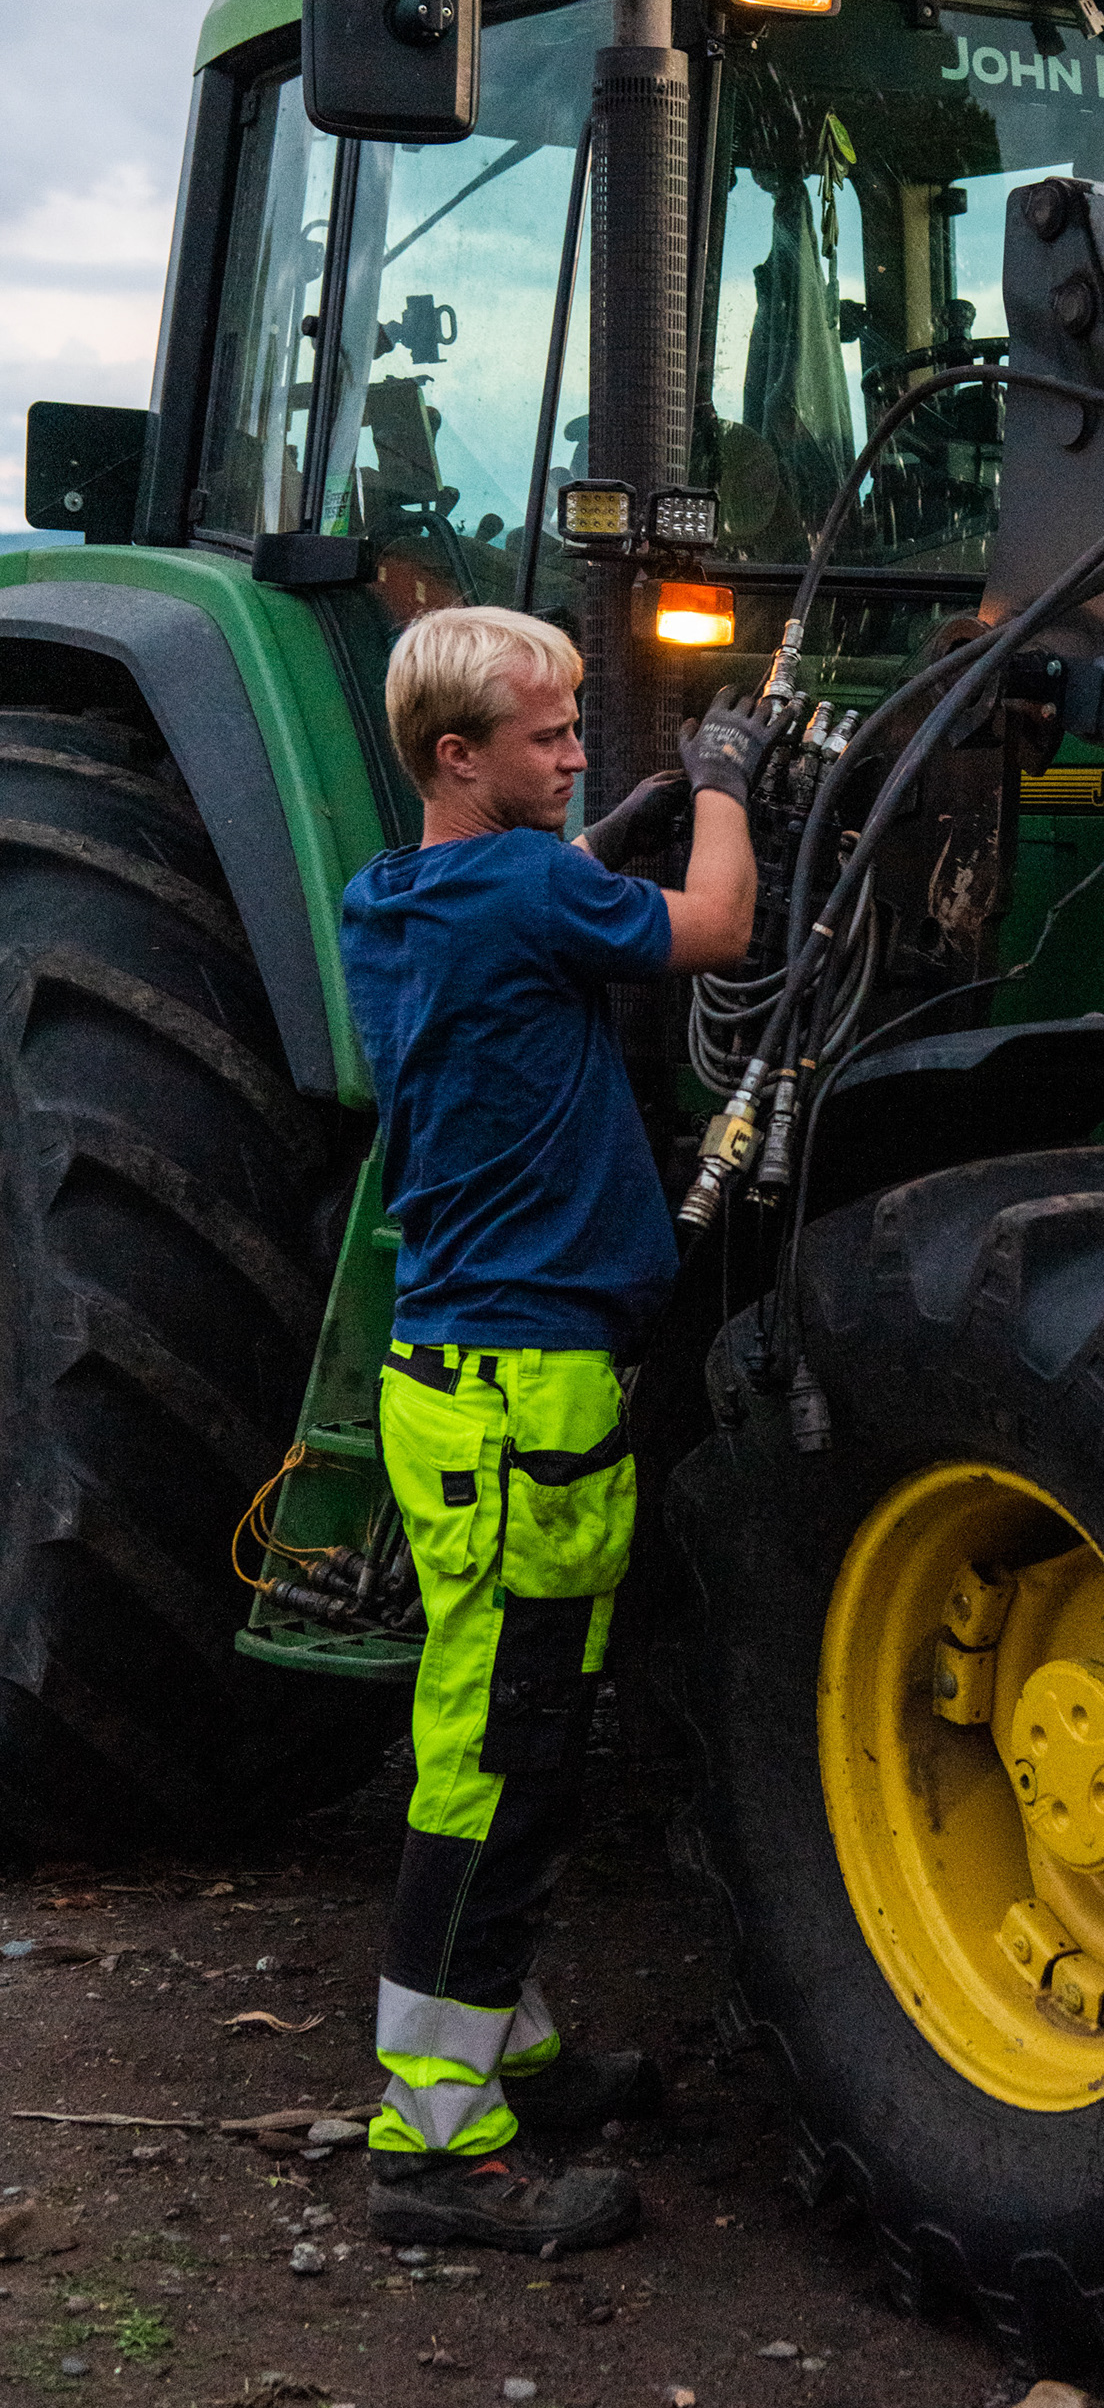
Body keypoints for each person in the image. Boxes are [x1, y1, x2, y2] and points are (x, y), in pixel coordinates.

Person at [338, 604, 773, 2254]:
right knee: (495, 1762)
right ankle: (432, 2148)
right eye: (549, 733)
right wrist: (719, 777)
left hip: (468, 1383)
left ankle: (502, 2045)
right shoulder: (531, 891)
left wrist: (608, 819)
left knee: (512, 1739)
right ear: (462, 757)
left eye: (586, 726)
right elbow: (719, 925)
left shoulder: (407, 895)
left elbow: (544, 890)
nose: (580, 747)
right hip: (524, 1397)